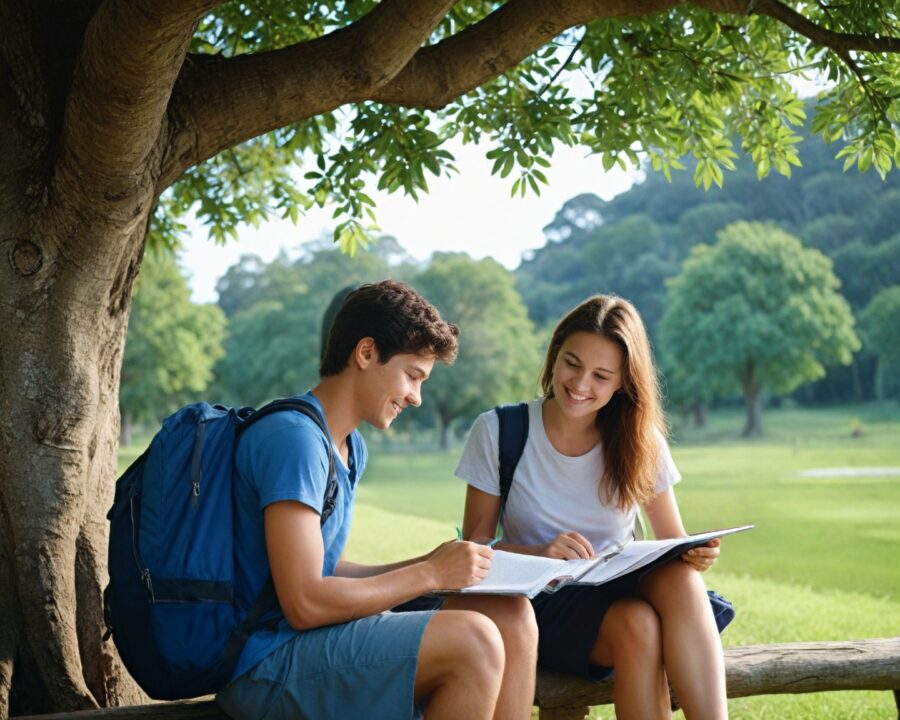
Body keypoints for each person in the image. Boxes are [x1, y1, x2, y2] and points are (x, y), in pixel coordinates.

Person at [216, 280, 537, 720]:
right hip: (265, 663)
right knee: (474, 639)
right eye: (412, 376)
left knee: (510, 614)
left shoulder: (347, 447)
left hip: (306, 644)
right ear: (365, 353)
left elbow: (330, 569)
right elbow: (305, 602)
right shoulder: (295, 440)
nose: (416, 397)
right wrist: (428, 573)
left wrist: (432, 563)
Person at [455, 294, 730, 720]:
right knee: (639, 621)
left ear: (623, 382)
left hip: (616, 596)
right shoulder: (499, 430)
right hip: (534, 605)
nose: (581, 384)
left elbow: (672, 541)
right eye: (572, 363)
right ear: (554, 355)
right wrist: (539, 553)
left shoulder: (640, 441)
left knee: (672, 587)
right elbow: (471, 552)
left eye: (602, 375)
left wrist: (696, 551)